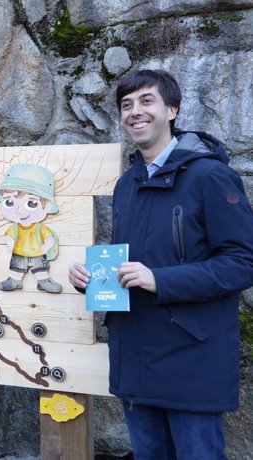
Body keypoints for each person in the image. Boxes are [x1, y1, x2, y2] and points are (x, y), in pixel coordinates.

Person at [68, 69, 253, 459]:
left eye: (146, 101)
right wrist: (93, 280)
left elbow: (242, 263)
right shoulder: (126, 185)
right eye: (126, 105)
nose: (135, 112)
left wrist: (160, 280)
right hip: (134, 361)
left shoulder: (211, 177)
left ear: (172, 109)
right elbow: (133, 263)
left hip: (191, 363)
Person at [0, 164, 62, 294]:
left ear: (46, 207)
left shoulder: (40, 228)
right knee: (16, 268)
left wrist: (46, 247)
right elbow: (8, 237)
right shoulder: (15, 228)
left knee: (40, 268)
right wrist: (11, 245)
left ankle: (43, 281)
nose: (19, 212)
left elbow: (49, 238)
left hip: (38, 254)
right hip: (19, 253)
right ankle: (14, 280)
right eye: (9, 202)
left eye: (31, 203)